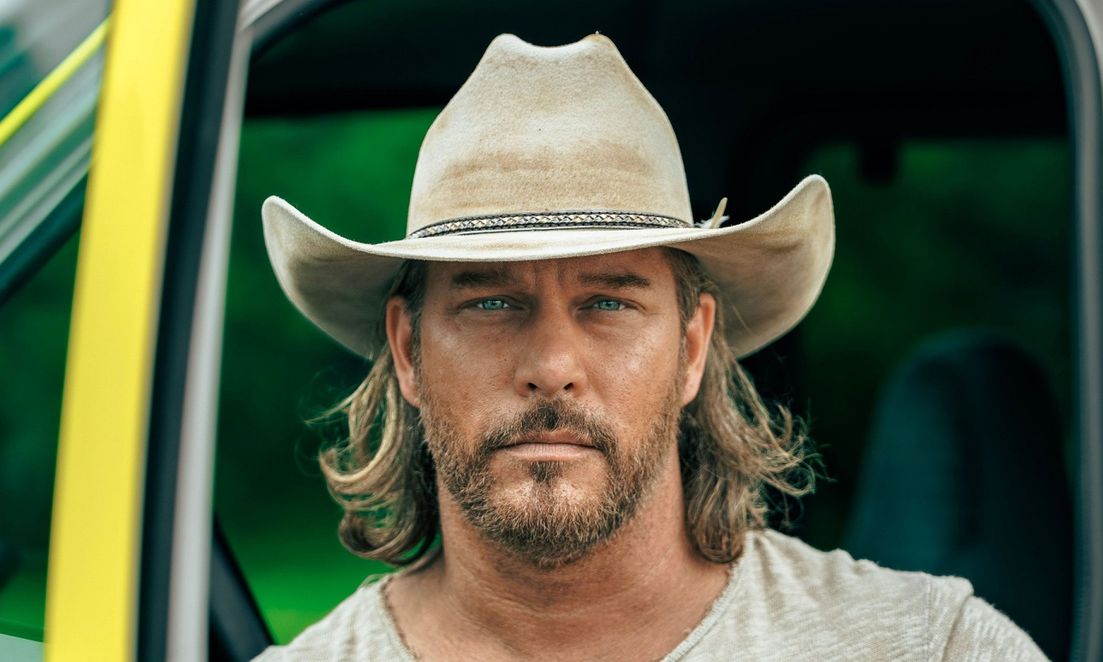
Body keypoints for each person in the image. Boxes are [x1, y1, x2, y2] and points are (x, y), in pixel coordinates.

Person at [255, 32, 1046, 661]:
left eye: (609, 303)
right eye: (491, 302)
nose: (552, 369)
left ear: (693, 347)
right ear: (407, 350)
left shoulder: (930, 647)